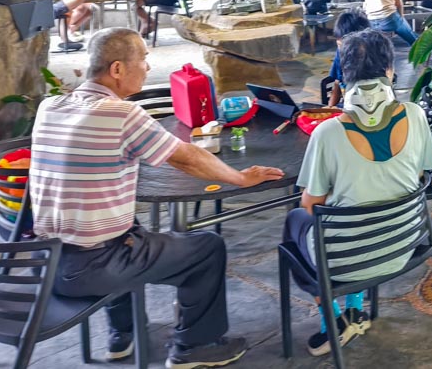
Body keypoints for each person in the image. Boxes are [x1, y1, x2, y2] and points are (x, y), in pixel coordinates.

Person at [28, 28, 283, 368]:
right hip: (95, 268)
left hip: (47, 262)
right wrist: (239, 177)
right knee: (206, 248)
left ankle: (123, 333)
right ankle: (195, 347)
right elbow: (186, 157)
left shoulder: (50, 106)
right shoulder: (120, 114)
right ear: (117, 69)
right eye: (143, 60)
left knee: (123, 227)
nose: (148, 68)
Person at [284, 30, 432, 356]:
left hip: (344, 261)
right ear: (390, 71)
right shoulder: (416, 115)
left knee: (295, 222)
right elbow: (422, 175)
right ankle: (356, 310)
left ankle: (334, 323)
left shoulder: (327, 132)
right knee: (364, 206)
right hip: (402, 246)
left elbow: (310, 206)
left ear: (344, 75)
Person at [326, 9, 372, 106]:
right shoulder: (340, 53)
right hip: (348, 106)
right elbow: (337, 83)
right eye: (339, 44)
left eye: (346, 46)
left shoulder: (375, 58)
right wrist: (330, 109)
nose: (342, 49)